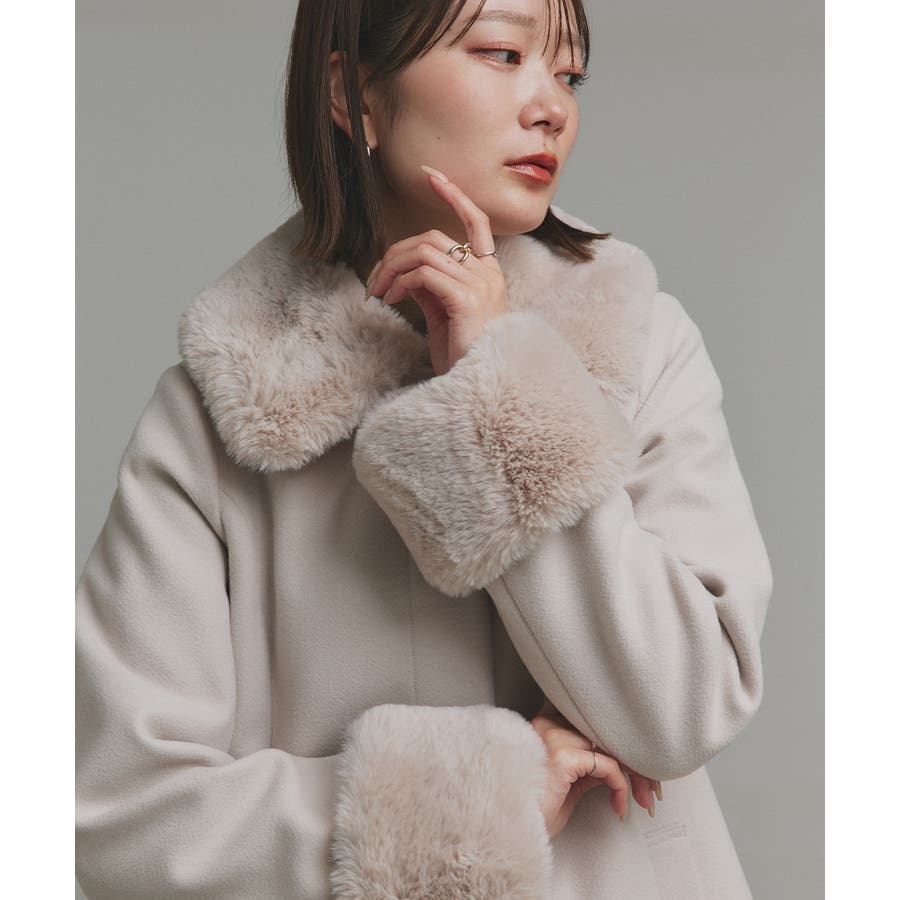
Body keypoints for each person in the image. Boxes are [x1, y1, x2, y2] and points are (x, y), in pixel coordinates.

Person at [74, 0, 774, 897]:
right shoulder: (218, 417)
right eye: (502, 53)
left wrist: (502, 387)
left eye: (569, 73)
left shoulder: (638, 346)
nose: (552, 107)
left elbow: (682, 708)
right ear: (353, 93)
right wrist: (478, 799)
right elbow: (117, 815)